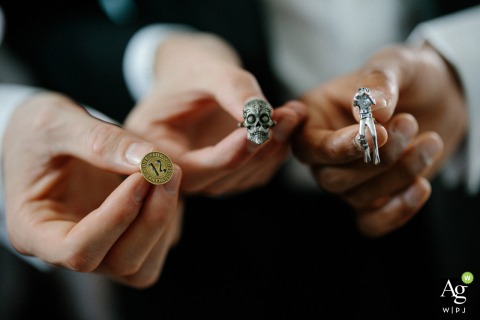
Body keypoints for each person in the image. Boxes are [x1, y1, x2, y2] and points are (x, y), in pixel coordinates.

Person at [2, 0, 480, 318]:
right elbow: (45, 18)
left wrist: (463, 72)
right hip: (202, 248)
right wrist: (158, 56)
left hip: (451, 217)